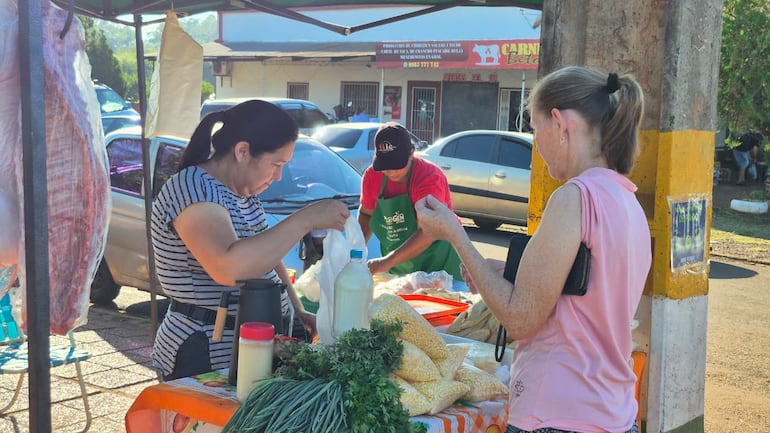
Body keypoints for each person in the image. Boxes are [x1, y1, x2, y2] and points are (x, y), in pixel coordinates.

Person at [415, 66, 650, 433]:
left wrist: (455, 235)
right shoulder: (626, 201)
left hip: (559, 412)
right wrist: (506, 272)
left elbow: (520, 318)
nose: (536, 145)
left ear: (559, 124)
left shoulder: (574, 198)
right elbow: (582, 293)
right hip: (614, 413)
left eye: (535, 128)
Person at [150, 99, 350, 381]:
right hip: (204, 347)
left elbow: (267, 258)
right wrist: (305, 219)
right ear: (243, 151)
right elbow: (228, 268)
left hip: (249, 345)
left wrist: (297, 309)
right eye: (276, 164)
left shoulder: (244, 195)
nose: (278, 176)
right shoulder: (192, 187)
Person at [357, 122, 463, 281]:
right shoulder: (372, 176)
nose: (390, 171)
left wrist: (386, 262)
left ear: (412, 153)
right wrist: (355, 248)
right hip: (399, 267)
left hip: (441, 265)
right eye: (385, 165)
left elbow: (429, 232)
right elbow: (366, 215)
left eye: (396, 165)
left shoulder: (429, 177)